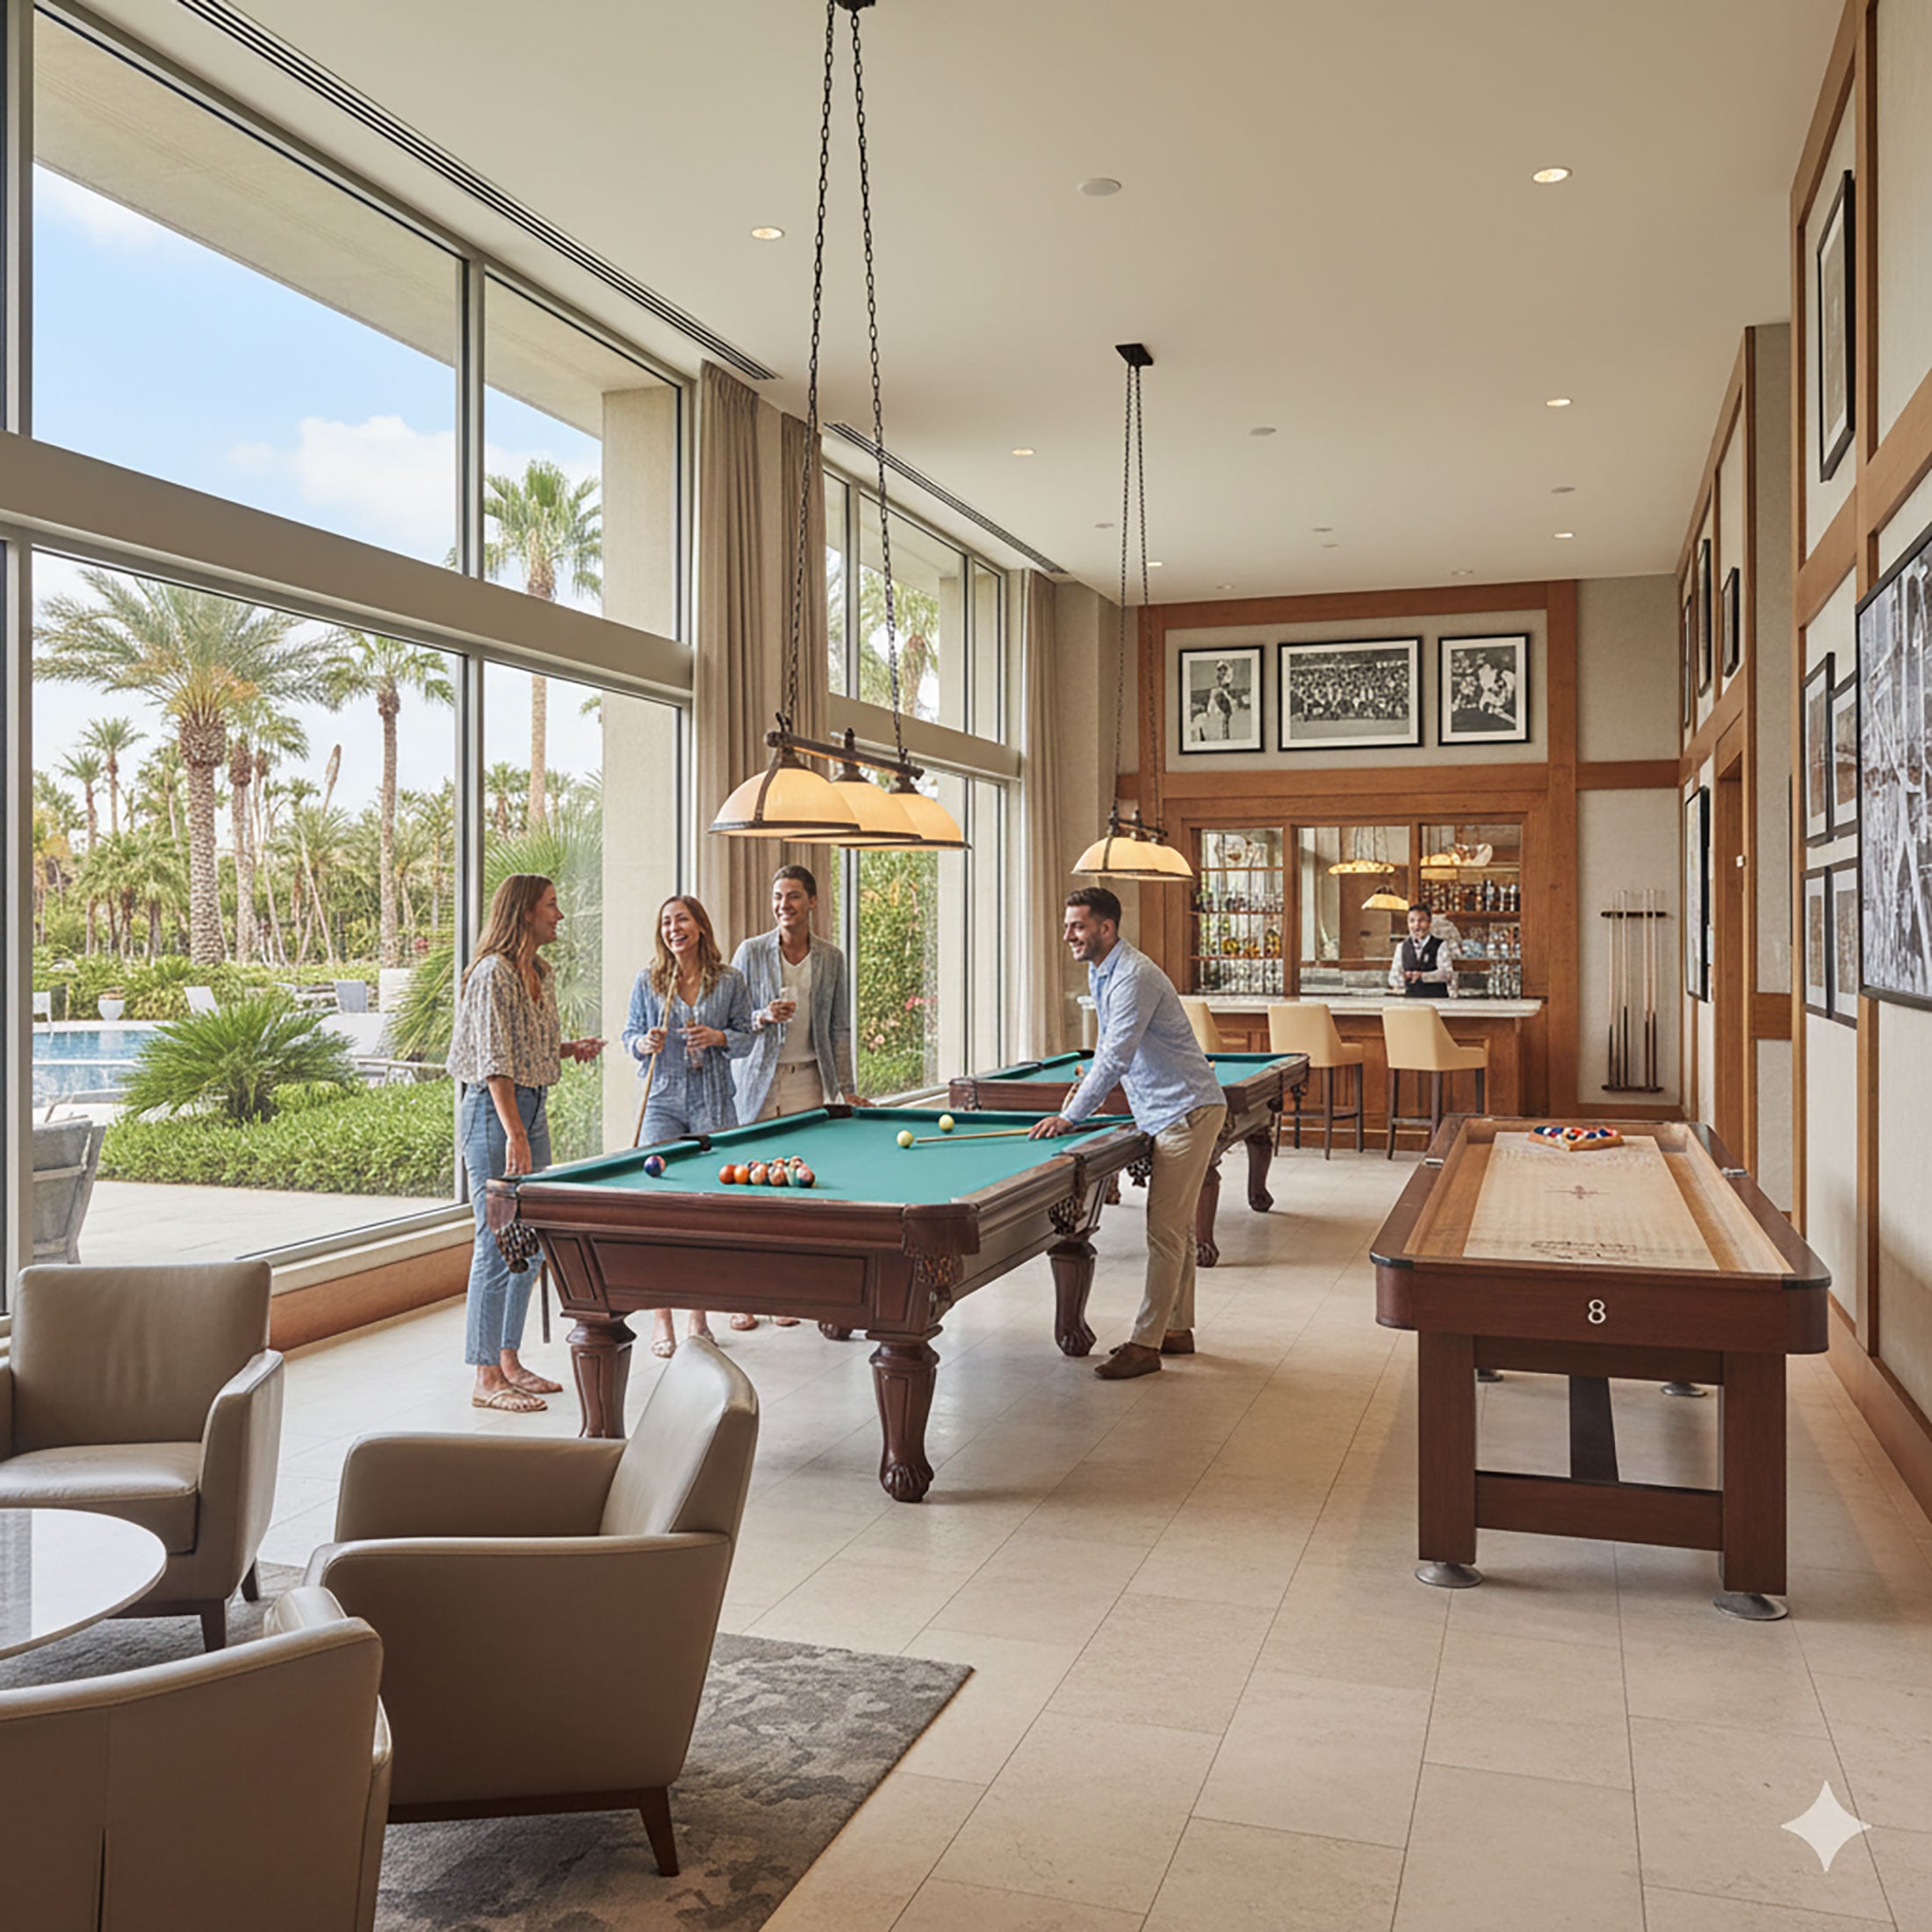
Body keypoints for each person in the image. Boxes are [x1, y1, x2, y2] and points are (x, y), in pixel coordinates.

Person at [1028, 886, 1226, 1381]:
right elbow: (1109, 1052)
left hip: (1186, 1111)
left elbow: (1116, 1056)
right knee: (1177, 1230)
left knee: (1163, 1232)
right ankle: (1175, 1329)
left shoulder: (1134, 976)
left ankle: (1145, 1344)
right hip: (1168, 1111)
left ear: (1106, 928)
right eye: (1067, 925)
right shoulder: (1103, 971)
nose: (1068, 935)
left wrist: (1071, 1116)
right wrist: (1080, 1098)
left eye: (1077, 925)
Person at [449, 873, 605, 1413]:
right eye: (551, 905)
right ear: (525, 913)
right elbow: (494, 1060)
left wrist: (566, 1048)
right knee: (496, 1241)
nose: (559, 915)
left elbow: (522, 1043)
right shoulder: (492, 973)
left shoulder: (540, 971)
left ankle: (509, 1361)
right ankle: (485, 1376)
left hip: (530, 1106)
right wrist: (515, 1132)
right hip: (495, 1114)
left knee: (530, 1242)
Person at [730, 864, 865, 1329]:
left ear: (812, 902)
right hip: (758, 1081)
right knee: (752, 1187)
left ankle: (786, 1293)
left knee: (796, 1190)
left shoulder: (831, 958)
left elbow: (839, 1028)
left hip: (809, 1079)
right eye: (777, 897)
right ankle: (744, 1295)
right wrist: (763, 1016)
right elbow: (735, 1019)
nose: (783, 905)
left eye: (792, 896)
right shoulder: (751, 952)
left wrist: (846, 1089)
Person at [624, 895, 754, 1356]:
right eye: (666, 922)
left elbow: (747, 1040)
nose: (672, 928)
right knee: (657, 1209)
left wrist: (718, 1037)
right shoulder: (649, 981)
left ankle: (698, 1316)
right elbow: (629, 1036)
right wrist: (645, 1043)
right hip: (662, 1100)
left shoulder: (730, 980)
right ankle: (662, 1318)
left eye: (681, 919)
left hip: (713, 1102)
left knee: (707, 1211)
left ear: (700, 926)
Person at [1389, 903, 1458, 998]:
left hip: (1437, 999)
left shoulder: (1440, 945)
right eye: (1412, 921)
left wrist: (1423, 976)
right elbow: (1392, 978)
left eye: (1421, 921)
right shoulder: (1402, 947)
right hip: (1410, 999)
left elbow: (1447, 974)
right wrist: (1404, 977)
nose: (1416, 925)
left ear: (1429, 923)